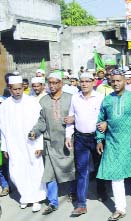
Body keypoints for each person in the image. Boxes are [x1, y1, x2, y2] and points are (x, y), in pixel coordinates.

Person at [96, 72, 131, 221]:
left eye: (119, 80)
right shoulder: (106, 100)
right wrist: (99, 139)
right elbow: (101, 120)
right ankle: (120, 208)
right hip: (113, 141)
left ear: (125, 81)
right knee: (115, 173)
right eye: (113, 81)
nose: (116, 83)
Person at [29, 72, 75, 215]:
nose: (52, 85)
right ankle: (53, 202)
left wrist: (74, 119)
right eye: (50, 83)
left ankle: (74, 193)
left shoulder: (71, 99)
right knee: (49, 173)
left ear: (61, 83)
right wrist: (35, 132)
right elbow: (41, 121)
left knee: (71, 169)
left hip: (68, 141)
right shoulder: (43, 101)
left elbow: (80, 115)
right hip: (50, 143)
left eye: (55, 83)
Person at [0, 76, 46, 212]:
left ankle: (37, 198)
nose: (18, 91)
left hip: (31, 143)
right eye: (14, 89)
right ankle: (25, 197)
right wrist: (4, 147)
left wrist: (39, 145)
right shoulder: (5, 105)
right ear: (10, 89)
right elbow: (2, 128)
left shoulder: (32, 102)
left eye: (20, 88)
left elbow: (40, 124)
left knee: (35, 169)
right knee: (17, 171)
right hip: (14, 144)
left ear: (23, 88)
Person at [65, 73, 107, 217]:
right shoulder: (75, 98)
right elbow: (71, 118)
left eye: (87, 81)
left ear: (93, 82)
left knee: (99, 166)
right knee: (82, 170)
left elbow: (106, 117)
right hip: (80, 139)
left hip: (97, 138)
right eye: (81, 82)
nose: (84, 84)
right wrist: (68, 135)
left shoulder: (100, 98)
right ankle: (81, 204)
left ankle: (101, 190)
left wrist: (105, 126)